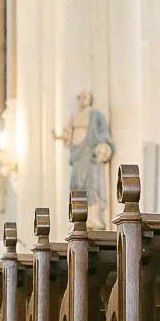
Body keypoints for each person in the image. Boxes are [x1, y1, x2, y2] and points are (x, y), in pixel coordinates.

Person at [56, 91, 113, 224]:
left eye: (85, 97)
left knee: (92, 182)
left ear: (90, 99)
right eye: (80, 97)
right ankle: (78, 215)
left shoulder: (96, 115)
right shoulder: (74, 115)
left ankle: (94, 218)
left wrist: (103, 147)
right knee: (76, 183)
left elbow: (103, 132)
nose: (82, 100)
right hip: (77, 153)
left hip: (89, 151)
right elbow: (68, 134)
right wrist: (60, 136)